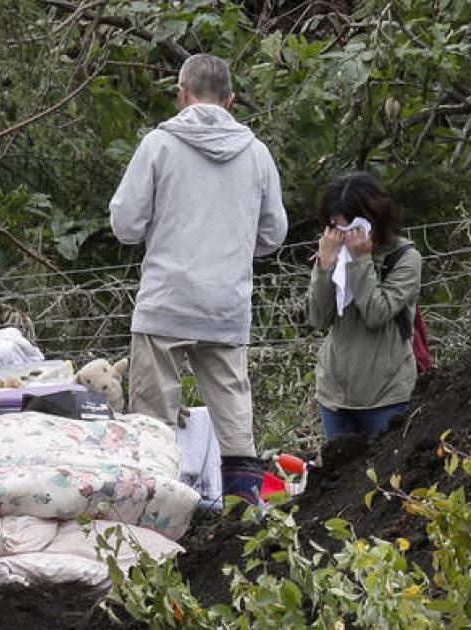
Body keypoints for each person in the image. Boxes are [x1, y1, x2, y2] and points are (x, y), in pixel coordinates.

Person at [109, 53, 288, 505]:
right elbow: (273, 234)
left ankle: (154, 519)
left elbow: (125, 224)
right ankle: (244, 515)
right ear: (230, 100)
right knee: (233, 412)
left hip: (166, 299)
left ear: (182, 94)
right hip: (225, 303)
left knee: (152, 419)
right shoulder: (256, 153)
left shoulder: (158, 145)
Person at [306, 172, 422, 442]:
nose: (342, 236)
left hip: (386, 395)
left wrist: (361, 260)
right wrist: (324, 267)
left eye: (349, 228)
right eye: (335, 227)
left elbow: (376, 313)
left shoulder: (405, 258)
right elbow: (318, 317)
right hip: (335, 396)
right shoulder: (333, 253)